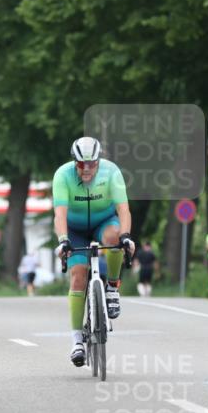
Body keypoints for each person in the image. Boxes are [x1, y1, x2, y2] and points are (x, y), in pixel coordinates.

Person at [52, 137, 134, 366]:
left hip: (103, 222)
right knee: (78, 274)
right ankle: (77, 340)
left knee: (114, 238)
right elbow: (59, 214)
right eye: (81, 164)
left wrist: (126, 236)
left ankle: (112, 287)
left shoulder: (111, 172)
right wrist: (63, 240)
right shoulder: (62, 175)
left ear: (98, 161)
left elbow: (123, 209)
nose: (86, 169)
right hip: (74, 228)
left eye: (92, 164)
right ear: (74, 162)